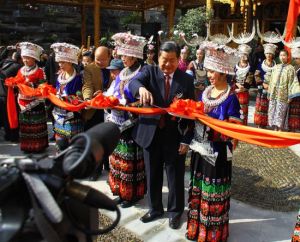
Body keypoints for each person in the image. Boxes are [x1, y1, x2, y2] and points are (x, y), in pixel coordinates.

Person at [128, 41, 195, 229]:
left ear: (178, 60)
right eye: (164, 60)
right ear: (158, 58)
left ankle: (175, 212)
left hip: (174, 135)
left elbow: (191, 113)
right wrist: (140, 89)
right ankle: (155, 208)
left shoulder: (186, 80)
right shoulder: (149, 72)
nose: (168, 65)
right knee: (152, 173)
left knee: (175, 175)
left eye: (172, 60)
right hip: (150, 133)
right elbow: (134, 82)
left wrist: (186, 139)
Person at [186, 41, 242, 242]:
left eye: (213, 71)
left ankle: (213, 234)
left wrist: (217, 128)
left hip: (217, 154)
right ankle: (197, 227)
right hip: (200, 149)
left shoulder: (231, 98)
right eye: (209, 70)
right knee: (199, 187)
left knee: (213, 190)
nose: (209, 74)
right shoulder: (206, 92)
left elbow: (234, 128)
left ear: (224, 72)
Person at [106, 33, 146, 208]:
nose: (122, 58)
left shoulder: (143, 72)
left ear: (135, 55)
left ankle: (133, 194)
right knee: (118, 159)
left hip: (132, 124)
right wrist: (107, 99)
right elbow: (113, 91)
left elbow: (145, 100)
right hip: (117, 121)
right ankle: (121, 191)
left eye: (125, 55)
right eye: (121, 55)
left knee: (131, 162)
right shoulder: (122, 72)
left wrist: (128, 104)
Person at [14, 42, 48, 152]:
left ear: (34, 58)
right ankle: (26, 146)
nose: (25, 60)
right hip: (22, 102)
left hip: (35, 102)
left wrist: (31, 85)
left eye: (28, 58)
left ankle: (38, 146)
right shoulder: (20, 70)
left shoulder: (40, 71)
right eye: (24, 58)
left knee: (36, 125)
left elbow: (43, 86)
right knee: (25, 125)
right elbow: (17, 82)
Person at [50, 42, 83, 151]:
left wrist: (68, 98)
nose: (60, 65)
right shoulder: (59, 76)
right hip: (58, 115)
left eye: (63, 62)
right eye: (59, 62)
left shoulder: (78, 78)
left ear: (71, 62)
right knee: (60, 142)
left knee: (71, 144)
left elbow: (79, 98)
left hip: (71, 116)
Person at [82, 46, 111, 130]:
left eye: (103, 59)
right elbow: (87, 85)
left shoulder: (115, 68)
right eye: (97, 59)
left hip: (110, 109)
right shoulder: (89, 68)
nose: (100, 62)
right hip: (94, 108)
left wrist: (106, 95)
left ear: (109, 57)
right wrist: (87, 99)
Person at [267, 49, 295, 131]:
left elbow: (292, 83)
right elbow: (271, 81)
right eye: (281, 55)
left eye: (284, 55)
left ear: (288, 56)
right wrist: (269, 93)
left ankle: (280, 129)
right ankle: (274, 128)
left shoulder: (291, 68)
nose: (282, 57)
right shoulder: (276, 67)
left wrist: (290, 95)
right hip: (274, 94)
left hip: (283, 95)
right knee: (273, 110)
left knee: (281, 111)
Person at [0, 50, 22, 142]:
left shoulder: (2, 63)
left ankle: (7, 135)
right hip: (11, 96)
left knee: (5, 117)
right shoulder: (18, 67)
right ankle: (14, 137)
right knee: (14, 116)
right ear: (20, 59)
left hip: (1, 94)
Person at [254, 43, 277, 128]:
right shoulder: (260, 65)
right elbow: (256, 75)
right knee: (261, 107)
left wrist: (271, 85)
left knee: (270, 107)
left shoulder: (276, 66)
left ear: (273, 54)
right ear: (264, 54)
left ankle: (269, 123)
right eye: (267, 53)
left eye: (270, 53)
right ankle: (260, 124)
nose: (269, 55)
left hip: (272, 89)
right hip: (262, 89)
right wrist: (263, 84)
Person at [233, 44, 253, 125]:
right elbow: (231, 76)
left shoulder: (250, 67)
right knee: (234, 108)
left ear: (248, 56)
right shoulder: (234, 66)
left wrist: (243, 88)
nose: (243, 56)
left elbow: (250, 78)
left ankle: (243, 125)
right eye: (242, 54)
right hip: (235, 90)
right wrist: (237, 85)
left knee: (243, 110)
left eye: (245, 54)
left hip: (244, 91)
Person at [289, 47, 300, 132]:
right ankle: (292, 127)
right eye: (295, 58)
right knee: (293, 111)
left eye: (297, 58)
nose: (296, 60)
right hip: (294, 92)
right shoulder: (293, 68)